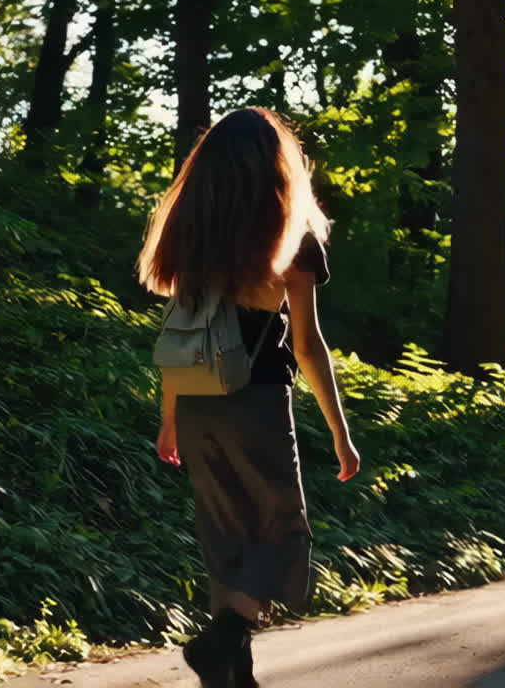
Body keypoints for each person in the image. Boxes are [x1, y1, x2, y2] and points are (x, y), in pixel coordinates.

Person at [136, 107, 360, 688]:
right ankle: (222, 642)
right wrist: (340, 433)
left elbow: (184, 333)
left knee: (226, 537)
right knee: (279, 531)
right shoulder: (290, 235)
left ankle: (233, 674)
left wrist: (169, 418)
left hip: (195, 403)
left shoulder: (194, 235)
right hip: (255, 400)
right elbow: (307, 345)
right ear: (278, 166)